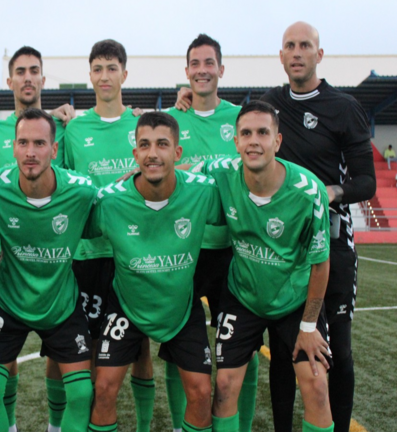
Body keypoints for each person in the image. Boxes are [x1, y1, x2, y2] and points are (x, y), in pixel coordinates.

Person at [258, 22, 375, 432]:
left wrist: (332, 192)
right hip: (284, 251)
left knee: (338, 351)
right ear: (281, 55)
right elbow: (235, 129)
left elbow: (367, 182)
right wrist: (185, 102)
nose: (296, 52)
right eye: (289, 45)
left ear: (318, 55)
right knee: (284, 349)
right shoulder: (269, 104)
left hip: (334, 246)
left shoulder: (344, 107)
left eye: (304, 45)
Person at [194, 101, 334, 432]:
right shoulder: (222, 170)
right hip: (243, 297)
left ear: (278, 141)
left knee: (316, 385)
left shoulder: (308, 191)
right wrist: (139, 174)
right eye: (245, 133)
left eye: (262, 132)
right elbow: (180, 169)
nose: (253, 140)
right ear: (236, 141)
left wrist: (309, 327)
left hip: (294, 302)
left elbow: (321, 264)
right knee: (225, 386)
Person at [86, 112, 221, 432]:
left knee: (202, 392)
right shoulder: (110, 200)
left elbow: (242, 213)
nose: (152, 153)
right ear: (135, 153)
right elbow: (71, 232)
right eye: (144, 145)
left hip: (180, 304)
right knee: (103, 388)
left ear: (177, 152)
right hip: (127, 304)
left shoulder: (203, 192)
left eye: (162, 144)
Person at [0, 108, 96, 432]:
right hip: (10, 302)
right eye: (23, 143)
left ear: (54, 150)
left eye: (40, 143)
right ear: (13, 147)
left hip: (60, 304)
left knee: (83, 392)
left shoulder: (82, 191)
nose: (30, 152)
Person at [0, 45, 76, 432]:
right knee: (7, 351)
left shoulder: (65, 126)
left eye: (34, 70)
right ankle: (11, 423)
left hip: (56, 256)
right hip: (8, 257)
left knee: (58, 348)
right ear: (10, 80)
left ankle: (55, 424)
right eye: (20, 71)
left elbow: (72, 182)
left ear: (42, 78)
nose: (27, 77)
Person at [163, 34, 257, 432]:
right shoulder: (172, 119)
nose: (202, 70)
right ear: (186, 72)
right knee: (176, 349)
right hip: (182, 252)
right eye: (195, 64)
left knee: (240, 353)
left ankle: (241, 425)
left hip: (231, 252)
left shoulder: (241, 119)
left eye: (209, 63)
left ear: (221, 68)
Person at [62, 39, 155, 432]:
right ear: (90, 76)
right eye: (97, 68)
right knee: (82, 353)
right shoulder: (75, 129)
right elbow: (65, 188)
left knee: (141, 347)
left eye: (112, 67)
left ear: (124, 74)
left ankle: (146, 423)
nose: (104, 76)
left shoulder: (141, 126)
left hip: (131, 253)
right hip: (86, 254)